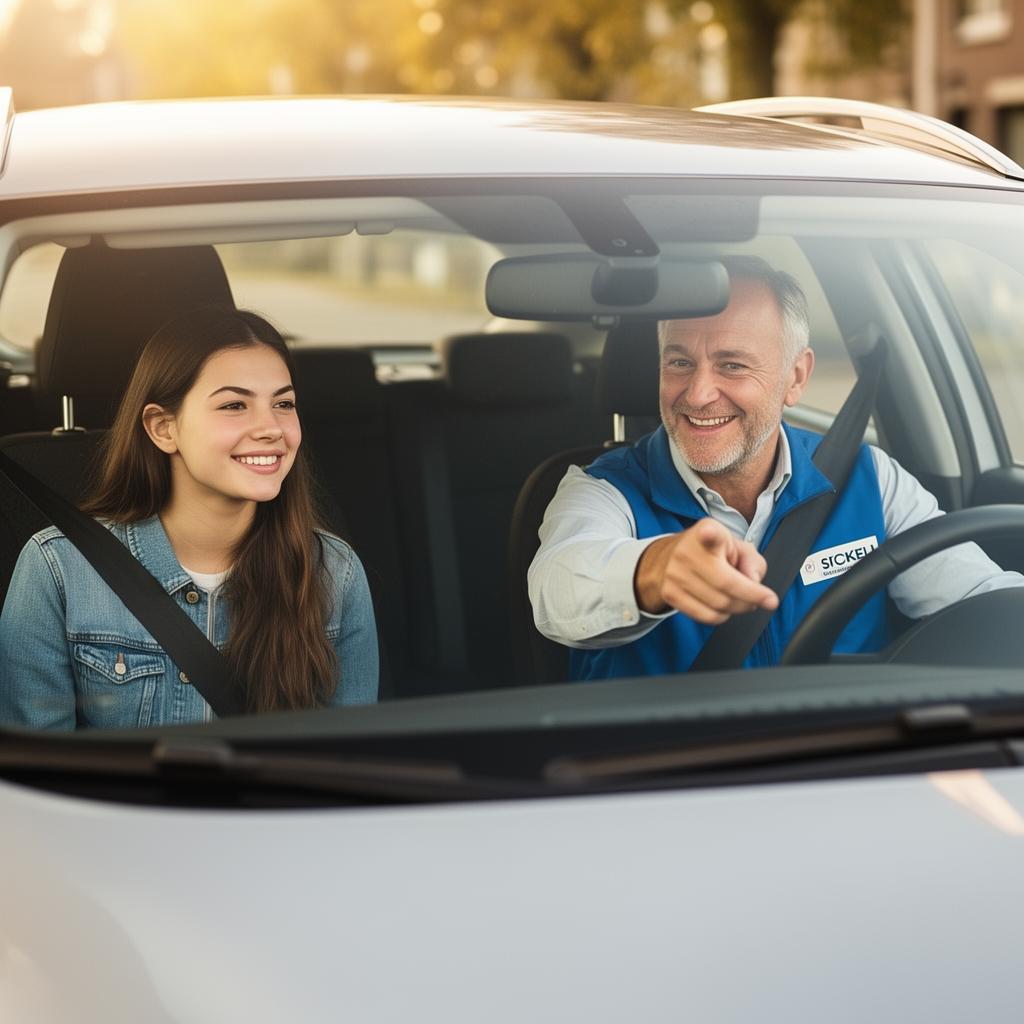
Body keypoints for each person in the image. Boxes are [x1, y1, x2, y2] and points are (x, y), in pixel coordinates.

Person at [528, 256, 1023, 680]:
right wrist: (657, 570)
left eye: (732, 365)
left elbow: (982, 600)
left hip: (853, 752)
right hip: (672, 759)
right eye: (679, 363)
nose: (698, 394)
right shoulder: (604, 488)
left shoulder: (868, 477)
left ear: (796, 377)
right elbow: (557, 592)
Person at [0, 307, 379, 728]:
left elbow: (347, 753)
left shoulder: (334, 573)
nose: (272, 428)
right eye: (234, 405)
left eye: (284, 403)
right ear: (163, 428)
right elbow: (41, 762)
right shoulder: (58, 570)